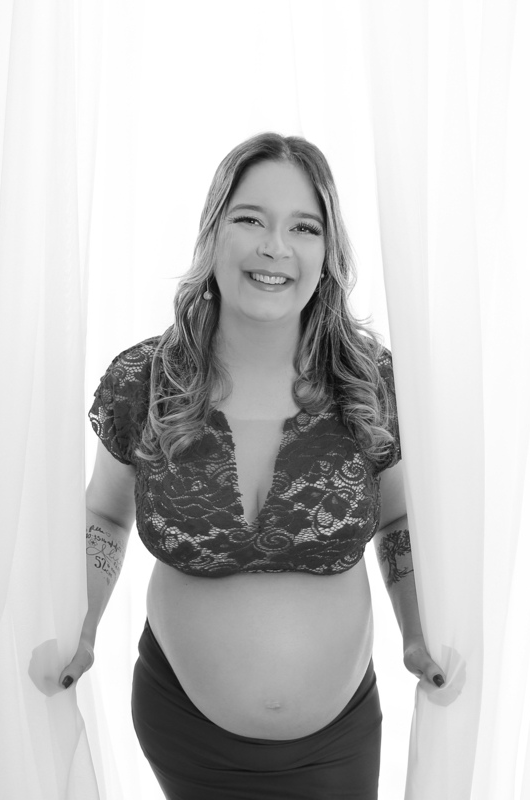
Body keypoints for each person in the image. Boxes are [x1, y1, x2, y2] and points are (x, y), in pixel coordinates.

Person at [59, 132, 445, 799]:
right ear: (213, 234)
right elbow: (104, 514)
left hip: (338, 743)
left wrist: (416, 634)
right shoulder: (145, 381)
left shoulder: (369, 383)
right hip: (185, 732)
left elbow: (398, 519)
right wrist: (82, 628)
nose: (275, 246)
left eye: (303, 227)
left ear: (327, 252)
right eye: (250, 220)